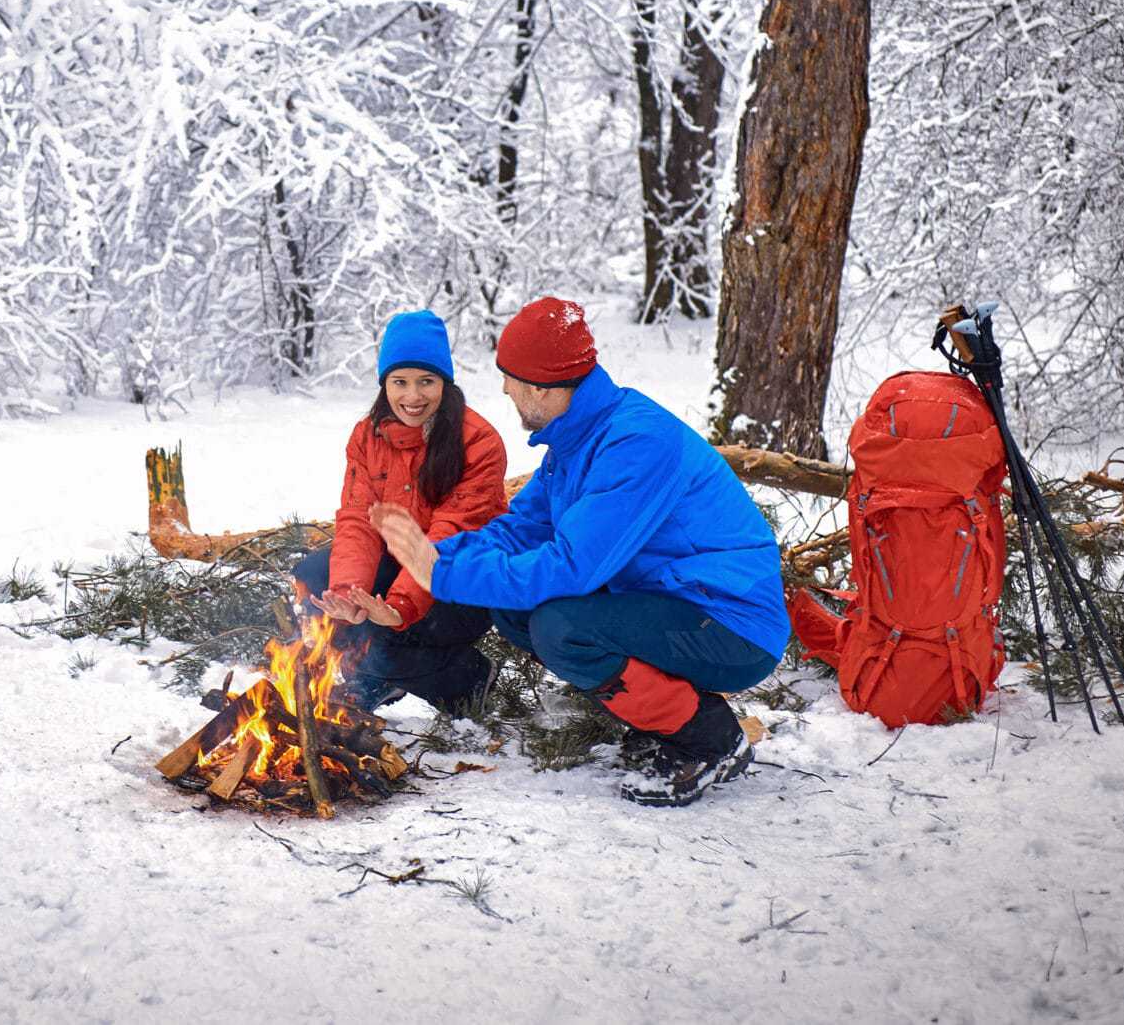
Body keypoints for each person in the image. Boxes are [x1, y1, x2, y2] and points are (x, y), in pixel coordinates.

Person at [370, 297, 789, 808]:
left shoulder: (635, 442)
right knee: (518, 610)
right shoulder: (577, 439)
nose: (504, 388)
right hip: (671, 605)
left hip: (731, 625)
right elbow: (523, 528)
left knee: (561, 627)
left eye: (511, 378)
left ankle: (709, 739)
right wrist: (438, 556)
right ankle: (659, 718)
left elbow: (571, 566)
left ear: (542, 387)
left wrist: (444, 574)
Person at [293, 310, 509, 711]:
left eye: (426, 381)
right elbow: (359, 519)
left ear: (444, 382)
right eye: (400, 382)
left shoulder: (479, 442)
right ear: (384, 384)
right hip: (401, 568)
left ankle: (468, 679)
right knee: (314, 580)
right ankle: (375, 677)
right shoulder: (367, 435)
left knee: (385, 638)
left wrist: (398, 607)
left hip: (460, 580)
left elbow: (448, 535)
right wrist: (348, 596)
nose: (413, 397)